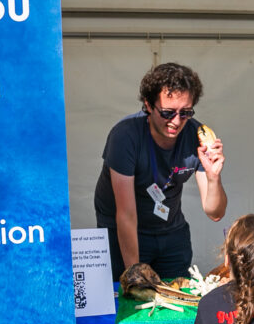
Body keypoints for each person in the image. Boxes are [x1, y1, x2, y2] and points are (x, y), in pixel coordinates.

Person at [94, 62, 227, 281]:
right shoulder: (125, 136)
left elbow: (215, 213)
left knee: (175, 299)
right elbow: (125, 215)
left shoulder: (196, 134)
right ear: (148, 104)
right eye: (167, 113)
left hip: (171, 232)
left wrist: (213, 177)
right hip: (124, 231)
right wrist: (135, 274)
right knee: (132, 302)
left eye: (186, 112)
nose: (176, 121)